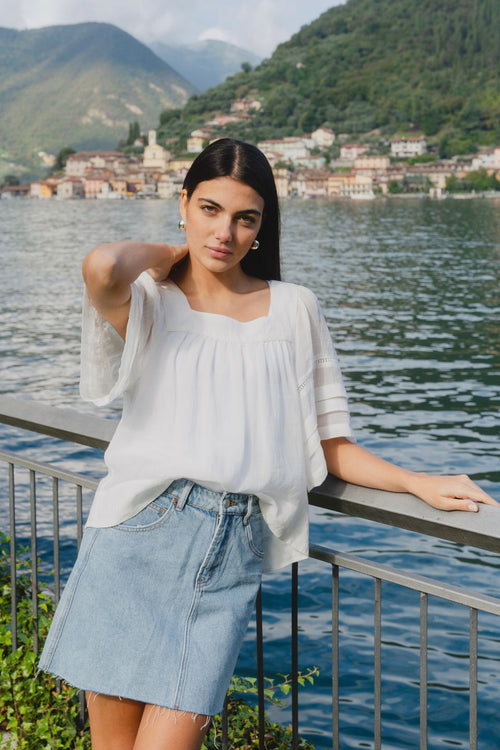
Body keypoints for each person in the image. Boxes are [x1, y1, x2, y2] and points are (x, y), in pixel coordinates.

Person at [38, 138, 497, 750]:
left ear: (262, 226)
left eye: (244, 218)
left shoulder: (294, 310)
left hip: (230, 550)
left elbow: (326, 444)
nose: (225, 231)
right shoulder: (152, 302)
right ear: (183, 204)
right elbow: (101, 266)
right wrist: (180, 252)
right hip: (137, 534)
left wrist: (417, 482)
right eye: (209, 209)